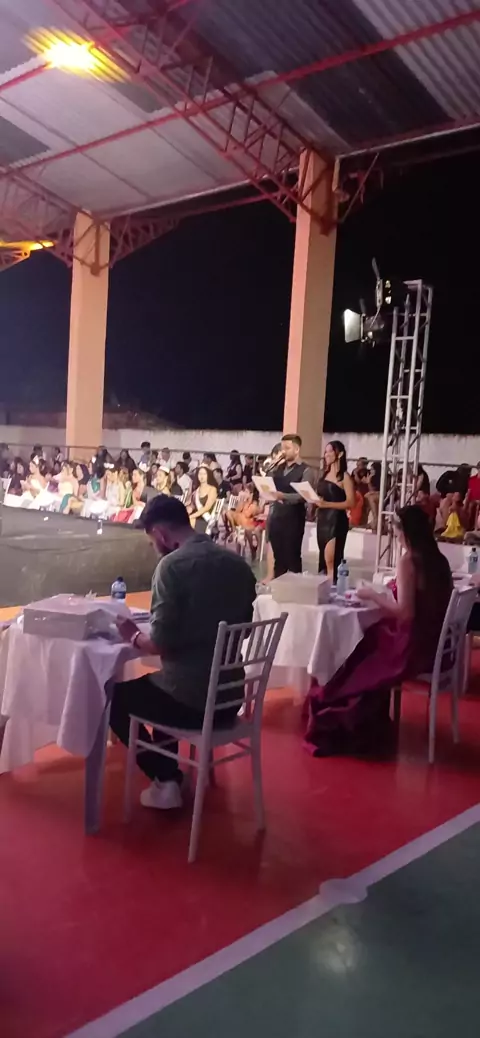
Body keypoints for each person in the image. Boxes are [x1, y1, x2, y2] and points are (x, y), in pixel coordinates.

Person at [111, 495, 256, 810]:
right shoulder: (239, 565)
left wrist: (132, 635)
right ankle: (169, 774)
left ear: (160, 534)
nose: (155, 548)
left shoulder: (171, 567)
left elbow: (159, 644)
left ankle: (166, 780)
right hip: (231, 699)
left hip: (192, 703)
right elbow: (243, 629)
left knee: (114, 697)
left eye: (152, 542)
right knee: (161, 683)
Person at [305, 505, 453, 757]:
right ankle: (370, 718)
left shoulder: (409, 561)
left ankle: (342, 716)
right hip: (435, 642)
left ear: (406, 534)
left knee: (357, 651)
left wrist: (372, 595)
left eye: (397, 534)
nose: (398, 539)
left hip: (412, 647)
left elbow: (405, 613)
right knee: (371, 637)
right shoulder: (439, 561)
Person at [268, 434, 314, 578]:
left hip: (294, 518)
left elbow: (304, 496)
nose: (284, 452)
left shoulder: (305, 470)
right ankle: (277, 586)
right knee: (278, 558)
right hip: (276, 516)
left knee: (292, 556)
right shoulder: (278, 468)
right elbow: (268, 482)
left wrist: (283, 496)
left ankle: (295, 587)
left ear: (296, 449)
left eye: (287, 448)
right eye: (282, 448)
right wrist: (273, 464)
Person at [316, 441, 355, 581]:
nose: (326, 454)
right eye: (325, 452)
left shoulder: (344, 477)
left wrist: (327, 504)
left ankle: (333, 584)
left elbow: (351, 502)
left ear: (340, 454)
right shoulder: (324, 475)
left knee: (331, 559)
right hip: (322, 519)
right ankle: (324, 584)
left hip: (336, 520)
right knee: (323, 556)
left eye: (330, 451)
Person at [189, 465, 218, 532]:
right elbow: (192, 506)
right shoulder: (196, 490)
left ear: (208, 475)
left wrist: (192, 516)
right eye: (200, 473)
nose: (202, 476)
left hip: (206, 519)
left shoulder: (212, 489)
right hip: (195, 516)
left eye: (204, 474)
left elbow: (207, 507)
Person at [365, 461, 382, 530]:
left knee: (370, 497)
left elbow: (382, 490)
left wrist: (368, 482)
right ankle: (374, 519)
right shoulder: (373, 477)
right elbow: (371, 490)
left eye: (372, 469)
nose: (371, 471)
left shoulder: (382, 477)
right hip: (377, 494)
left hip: (384, 495)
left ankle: (375, 519)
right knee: (368, 496)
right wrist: (369, 482)